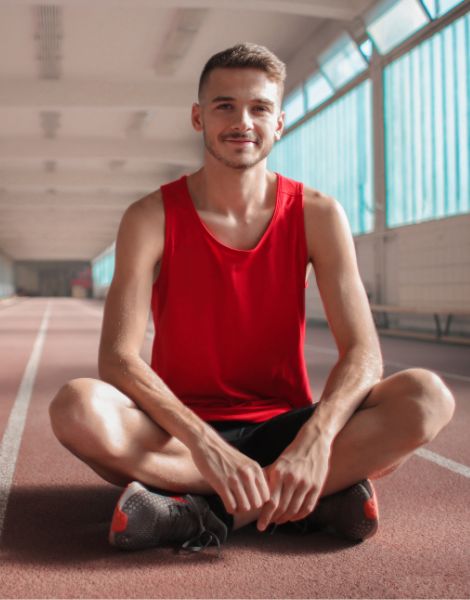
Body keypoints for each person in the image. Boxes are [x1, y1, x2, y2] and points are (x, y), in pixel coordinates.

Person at [49, 43, 455, 556]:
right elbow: (119, 358)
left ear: (279, 122)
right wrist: (205, 444)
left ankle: (206, 513)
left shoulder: (317, 214)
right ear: (198, 117)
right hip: (178, 435)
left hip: (286, 427)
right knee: (76, 408)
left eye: (259, 108)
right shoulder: (150, 217)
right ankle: (309, 500)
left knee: (427, 397)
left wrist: (315, 440)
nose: (242, 121)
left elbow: (364, 353)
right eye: (225, 106)